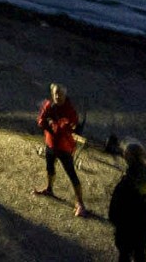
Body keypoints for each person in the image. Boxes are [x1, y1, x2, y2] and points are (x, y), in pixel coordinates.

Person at [34, 82, 88, 217]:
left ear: (65, 95)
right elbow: (40, 121)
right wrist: (50, 123)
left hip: (64, 147)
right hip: (51, 143)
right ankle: (49, 188)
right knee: (49, 168)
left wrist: (51, 123)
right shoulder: (48, 105)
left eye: (60, 94)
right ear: (52, 94)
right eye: (55, 93)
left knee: (71, 174)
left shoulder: (70, 110)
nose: (58, 96)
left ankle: (80, 203)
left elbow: (66, 127)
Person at [108, 140, 146, 262]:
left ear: (130, 157)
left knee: (125, 256)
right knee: (140, 256)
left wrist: (114, 218)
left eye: (126, 154)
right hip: (143, 225)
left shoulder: (128, 181)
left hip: (128, 226)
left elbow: (119, 203)